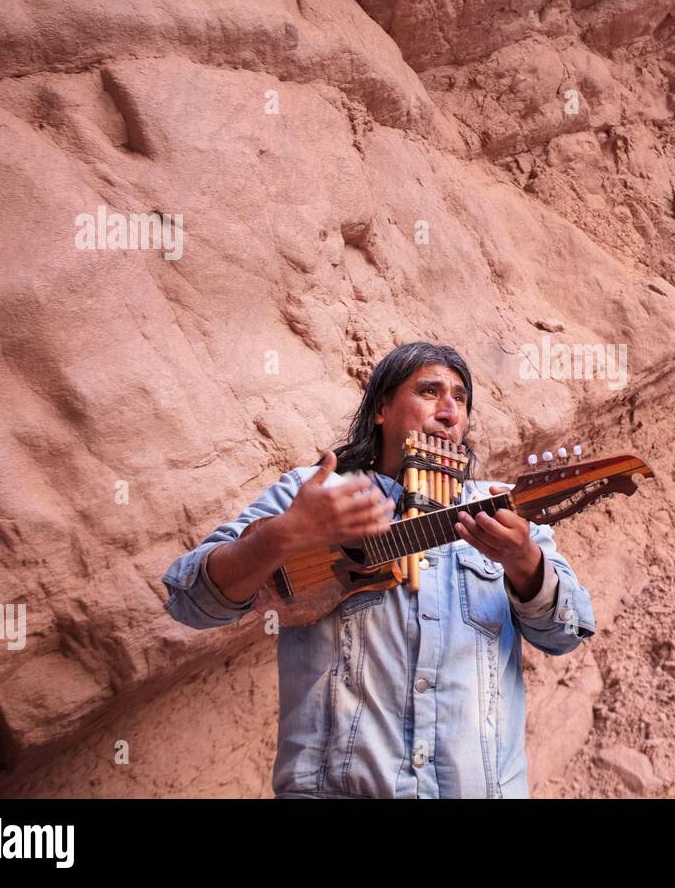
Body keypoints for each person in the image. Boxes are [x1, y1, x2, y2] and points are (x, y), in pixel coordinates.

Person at [161, 341, 596, 797]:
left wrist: (524, 562)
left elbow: (567, 635)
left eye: (461, 398)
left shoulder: (505, 514)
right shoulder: (315, 494)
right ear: (381, 409)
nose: (449, 411)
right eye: (430, 392)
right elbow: (189, 601)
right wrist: (284, 534)